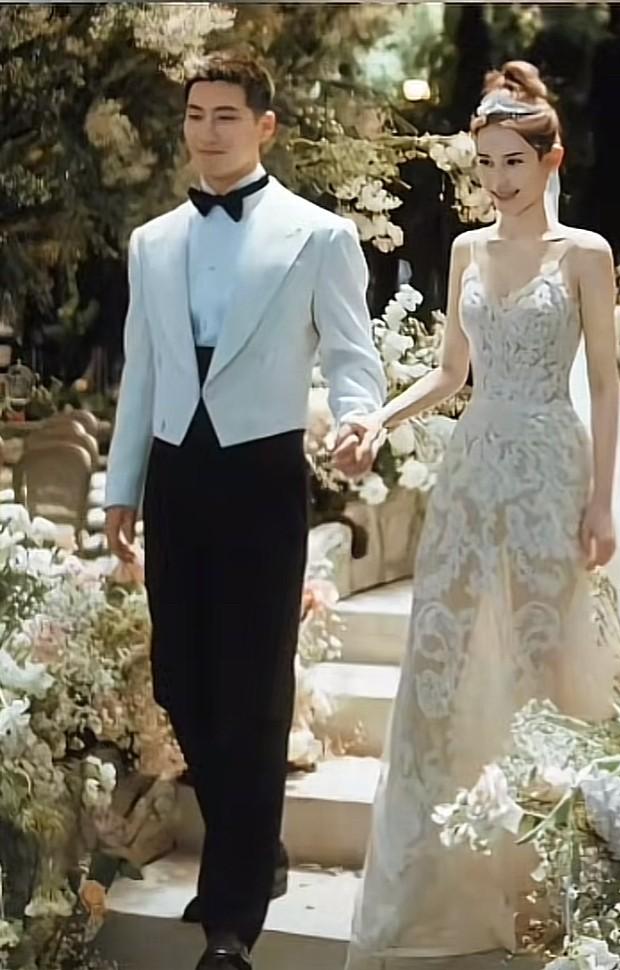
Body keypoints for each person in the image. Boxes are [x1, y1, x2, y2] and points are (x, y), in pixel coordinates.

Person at [102, 52, 386, 970]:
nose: (208, 131)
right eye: (196, 114)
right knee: (181, 679)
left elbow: (352, 354)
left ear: (264, 126)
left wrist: (360, 421)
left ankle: (231, 922)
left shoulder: (319, 235)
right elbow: (143, 370)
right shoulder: (152, 243)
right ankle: (254, 845)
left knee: (255, 686)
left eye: (226, 115)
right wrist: (121, 488)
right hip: (176, 474)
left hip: (263, 473)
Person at [342, 60, 620, 968]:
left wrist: (602, 501)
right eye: (487, 163)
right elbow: (450, 373)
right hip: (472, 469)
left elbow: (605, 386)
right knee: (448, 651)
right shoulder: (468, 250)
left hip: (550, 465)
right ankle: (444, 872)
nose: (499, 181)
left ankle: (554, 877)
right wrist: (379, 419)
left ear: (550, 160)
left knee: (544, 655)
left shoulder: (584, 255)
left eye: (514, 162)